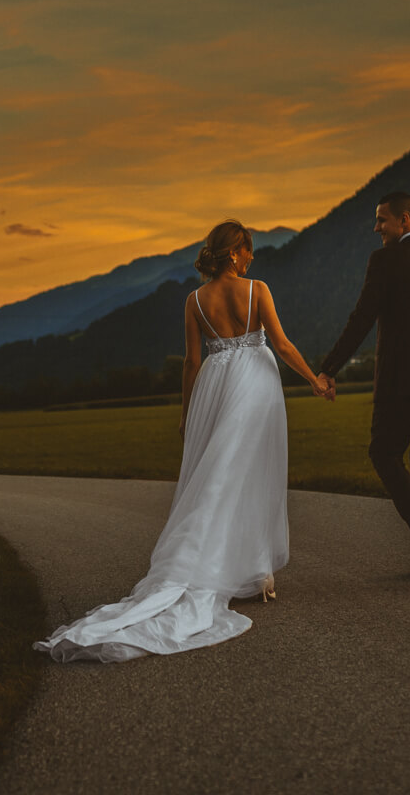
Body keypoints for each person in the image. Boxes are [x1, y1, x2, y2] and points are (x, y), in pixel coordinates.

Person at [35, 220, 330, 662]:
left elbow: (192, 362)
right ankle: (242, 570)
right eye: (247, 251)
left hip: (215, 385)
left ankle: (241, 569)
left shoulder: (194, 300)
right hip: (255, 384)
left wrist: (187, 412)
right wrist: (314, 380)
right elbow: (283, 345)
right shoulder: (257, 290)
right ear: (235, 253)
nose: (251, 258)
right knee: (244, 476)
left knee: (220, 474)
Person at [319, 192, 410, 583]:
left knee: (383, 453)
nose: (376, 228)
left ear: (404, 220)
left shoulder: (384, 260)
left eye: (381, 220)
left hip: (401, 381)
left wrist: (329, 367)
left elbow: (362, 318)